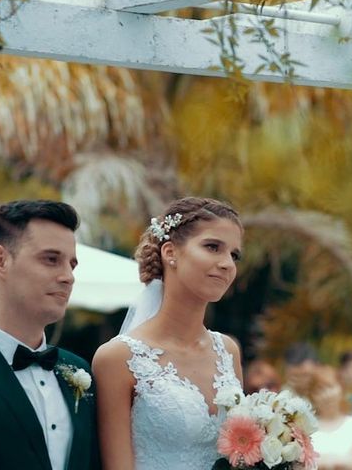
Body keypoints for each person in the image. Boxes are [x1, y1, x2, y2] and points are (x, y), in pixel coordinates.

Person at [92, 197, 244, 470]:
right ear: (170, 252)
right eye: (213, 247)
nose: (227, 264)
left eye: (234, 255)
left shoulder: (228, 351)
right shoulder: (117, 358)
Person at [0, 199, 99, 470]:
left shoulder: (78, 369)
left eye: (71, 265)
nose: (68, 277)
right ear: (0, 260)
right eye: (51, 259)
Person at [309, 366, 352, 470]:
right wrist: (341, 460)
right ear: (312, 396)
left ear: (341, 388)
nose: (326, 395)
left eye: (330, 387)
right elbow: (300, 466)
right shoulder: (306, 430)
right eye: (319, 390)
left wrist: (319, 462)